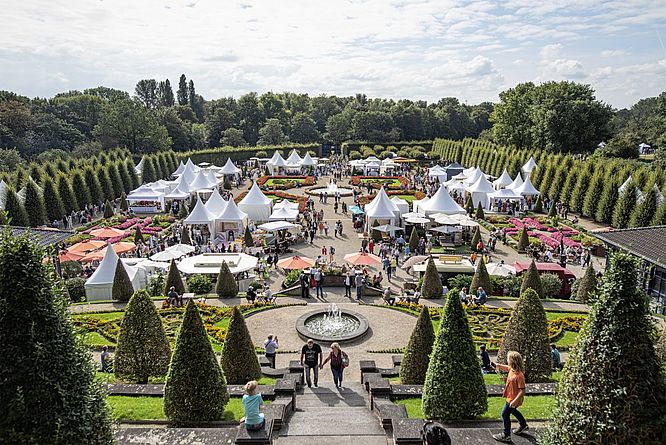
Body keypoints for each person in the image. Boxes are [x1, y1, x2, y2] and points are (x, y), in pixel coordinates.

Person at [492, 351, 528, 442]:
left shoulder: (519, 376)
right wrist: (498, 365)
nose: (507, 360)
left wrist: (515, 401)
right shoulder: (512, 369)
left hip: (513, 399)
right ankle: (523, 425)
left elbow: (522, 390)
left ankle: (506, 435)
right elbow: (507, 368)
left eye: (508, 359)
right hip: (510, 397)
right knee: (513, 411)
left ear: (513, 361)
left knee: (504, 414)